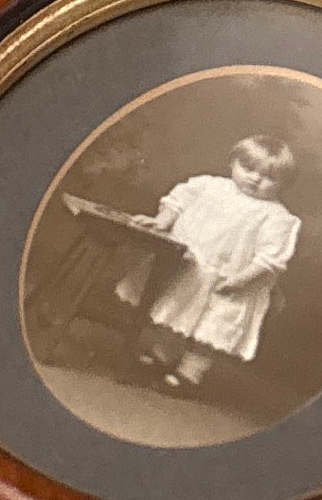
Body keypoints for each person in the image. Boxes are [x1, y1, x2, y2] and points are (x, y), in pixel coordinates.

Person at [112, 133, 302, 397]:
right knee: (174, 315)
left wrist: (242, 280)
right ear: (232, 162)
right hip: (190, 268)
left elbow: (271, 259)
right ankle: (160, 357)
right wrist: (163, 220)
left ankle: (189, 374)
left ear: (284, 184)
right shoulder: (208, 186)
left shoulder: (277, 217)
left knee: (209, 331)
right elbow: (177, 201)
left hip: (232, 281)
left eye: (269, 177)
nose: (255, 179)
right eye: (248, 168)